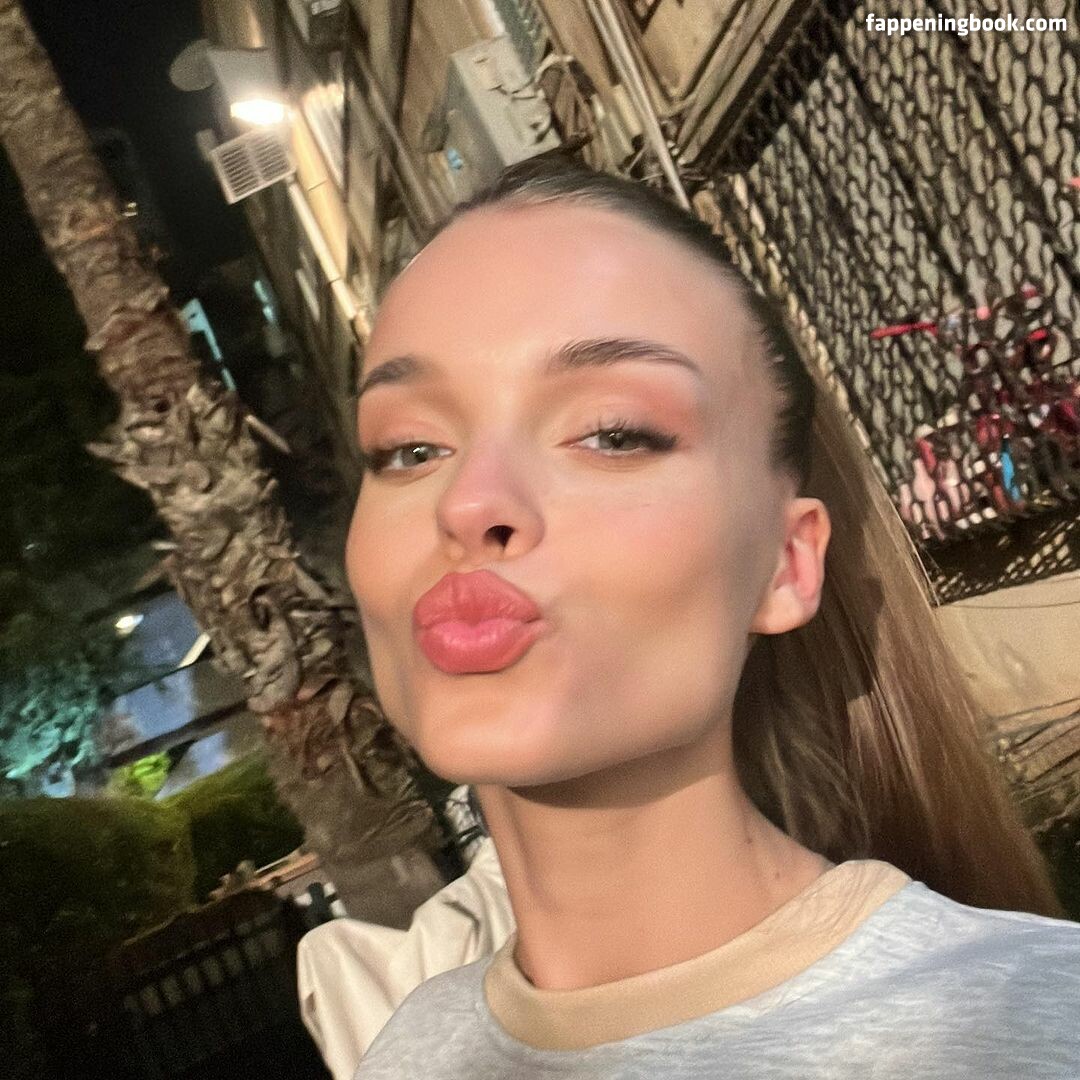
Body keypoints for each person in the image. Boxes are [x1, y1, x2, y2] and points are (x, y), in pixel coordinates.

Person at [343, 156, 1080, 1078]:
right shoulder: (407, 1053)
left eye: (613, 433)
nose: (467, 502)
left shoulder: (1035, 1025)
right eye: (409, 448)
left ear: (784, 565)